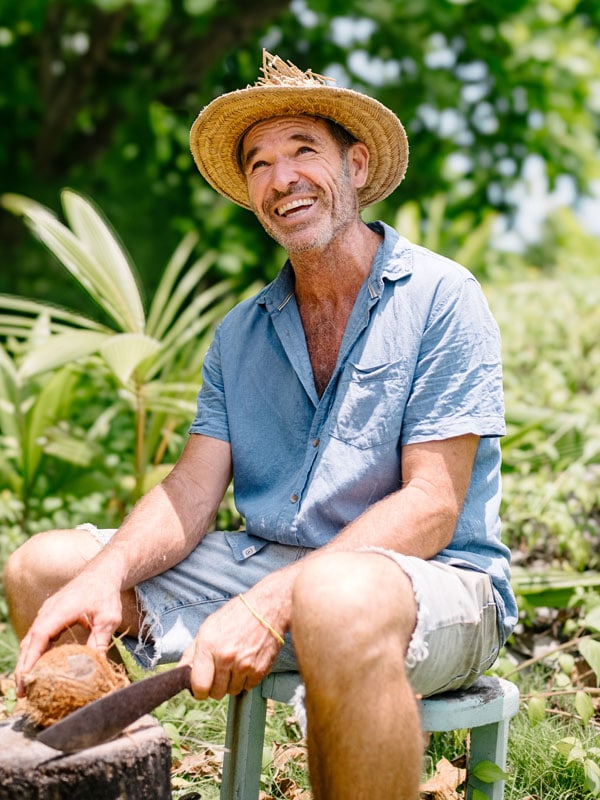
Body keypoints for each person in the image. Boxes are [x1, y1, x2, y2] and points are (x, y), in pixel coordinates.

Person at [5, 51, 517, 799]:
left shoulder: (442, 296)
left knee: (332, 597)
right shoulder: (240, 335)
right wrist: (105, 573)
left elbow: (433, 507)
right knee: (44, 566)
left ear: (357, 165)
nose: (282, 179)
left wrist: (272, 604)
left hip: (430, 585)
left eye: (303, 150)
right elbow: (190, 490)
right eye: (259, 164)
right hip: (270, 565)